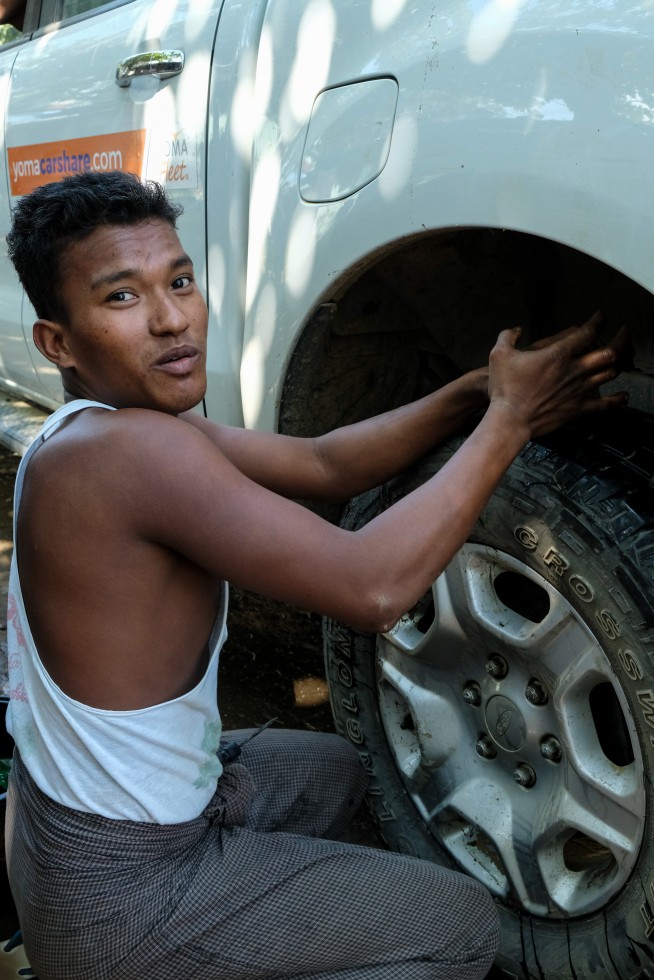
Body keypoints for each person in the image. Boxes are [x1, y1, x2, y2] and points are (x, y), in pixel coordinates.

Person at [3, 170, 628, 980]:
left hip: (70, 847)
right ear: (58, 341)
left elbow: (324, 463)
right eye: (122, 298)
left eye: (181, 282)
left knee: (334, 772)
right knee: (461, 927)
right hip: (126, 892)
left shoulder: (98, 431)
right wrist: (508, 422)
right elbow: (370, 588)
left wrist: (476, 392)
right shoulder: (132, 455)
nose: (172, 321)